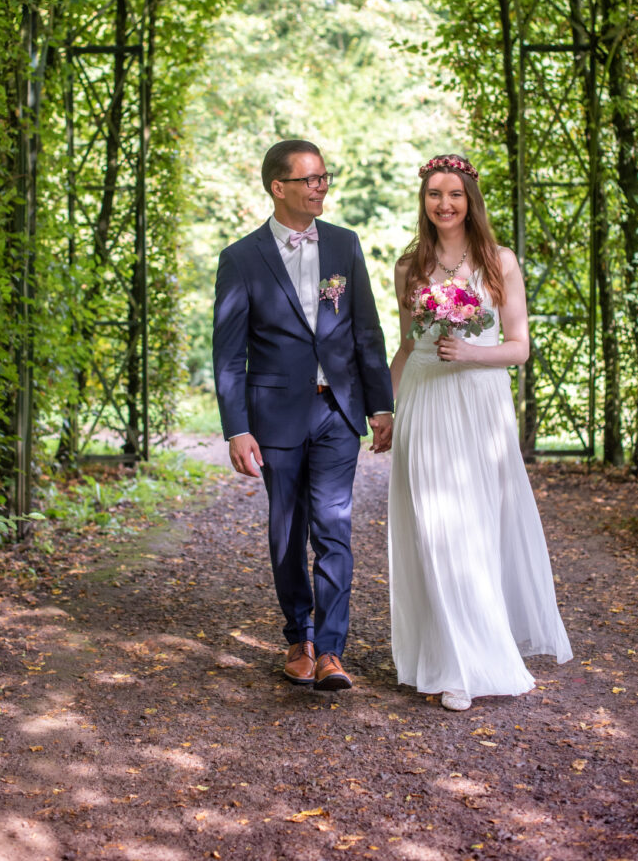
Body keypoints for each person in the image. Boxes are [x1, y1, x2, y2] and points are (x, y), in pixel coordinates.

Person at [388, 154, 572, 711]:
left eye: (454, 194)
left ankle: (479, 653)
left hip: (480, 403)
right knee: (434, 529)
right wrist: (384, 411)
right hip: (425, 398)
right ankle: (447, 659)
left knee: (474, 528)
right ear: (423, 201)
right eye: (434, 194)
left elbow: (519, 346)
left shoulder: (499, 261)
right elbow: (407, 346)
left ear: (470, 201)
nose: (443, 204)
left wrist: (471, 352)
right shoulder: (409, 266)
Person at [213, 139, 393, 691]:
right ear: (279, 187)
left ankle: (332, 650)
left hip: (338, 410)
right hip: (276, 415)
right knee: (287, 532)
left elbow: (366, 329)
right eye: (310, 179)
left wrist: (380, 402)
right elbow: (229, 353)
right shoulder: (241, 257)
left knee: (334, 527)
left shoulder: (344, 243)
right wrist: (237, 428)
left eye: (324, 177)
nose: (321, 187)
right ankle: (300, 637)